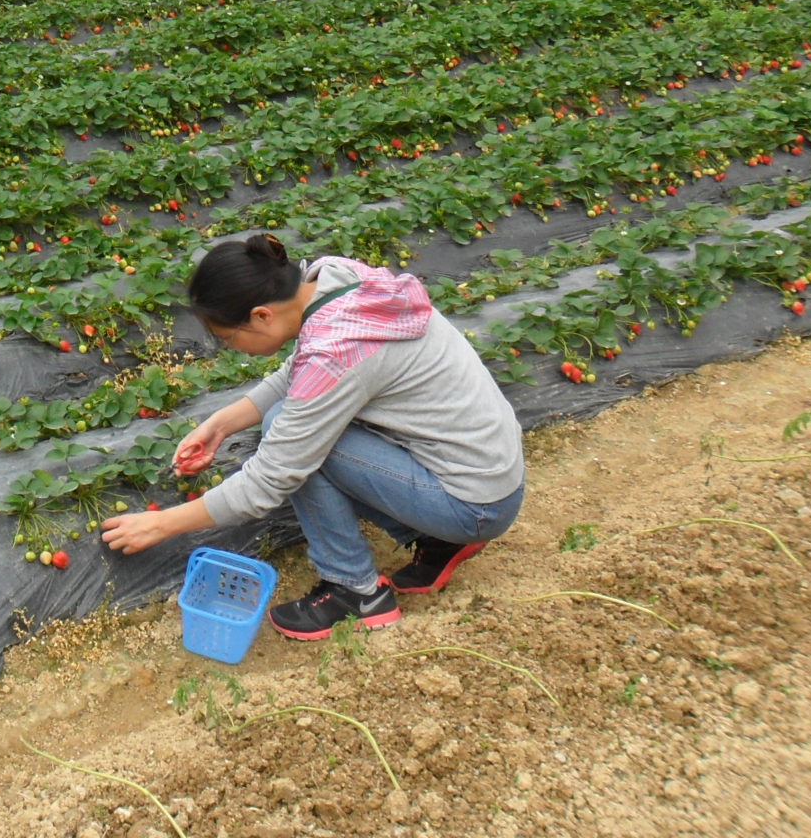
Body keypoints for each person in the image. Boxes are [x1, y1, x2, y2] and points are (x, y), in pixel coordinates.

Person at [99, 235, 525, 640]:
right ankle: (438, 540)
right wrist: (222, 423)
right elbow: (302, 372)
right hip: (486, 470)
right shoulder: (334, 278)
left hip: (475, 503)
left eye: (228, 338)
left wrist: (160, 523)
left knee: (291, 438)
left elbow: (271, 480)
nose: (230, 348)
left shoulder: (336, 353)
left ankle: (355, 592)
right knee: (294, 424)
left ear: (262, 316)